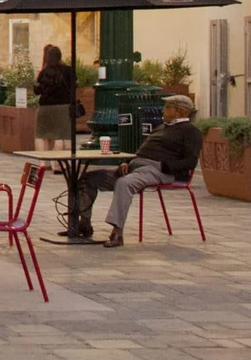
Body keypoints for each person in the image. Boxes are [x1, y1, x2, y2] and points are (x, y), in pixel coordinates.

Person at [81, 95, 203, 247]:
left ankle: (117, 233)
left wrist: (164, 167)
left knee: (124, 183)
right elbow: (141, 151)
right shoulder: (161, 127)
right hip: (135, 167)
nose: (163, 111)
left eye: (167, 107)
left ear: (179, 111)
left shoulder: (191, 131)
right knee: (88, 178)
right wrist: (126, 162)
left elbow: (191, 161)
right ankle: (83, 224)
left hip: (158, 170)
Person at [34, 44, 76, 153]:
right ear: (60, 56)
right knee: (59, 136)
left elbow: (37, 91)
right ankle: (57, 164)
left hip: (45, 107)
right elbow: (74, 87)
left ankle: (43, 162)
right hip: (63, 106)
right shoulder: (68, 70)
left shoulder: (44, 72)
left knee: (41, 135)